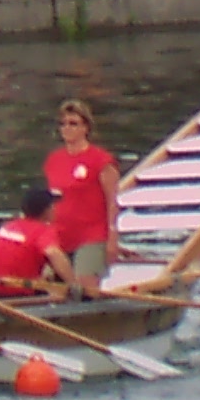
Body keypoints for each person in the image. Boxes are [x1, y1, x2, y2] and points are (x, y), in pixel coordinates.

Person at [46, 98, 121, 280]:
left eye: (73, 124)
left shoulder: (101, 160)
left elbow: (113, 202)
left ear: (85, 128)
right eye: (63, 124)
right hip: (61, 235)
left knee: (85, 285)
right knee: (45, 283)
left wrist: (113, 239)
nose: (67, 128)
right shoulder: (54, 160)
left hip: (91, 236)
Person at [0, 185, 84, 297]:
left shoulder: (9, 226)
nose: (55, 209)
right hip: (15, 291)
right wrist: (74, 284)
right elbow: (53, 253)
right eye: (53, 205)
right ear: (46, 210)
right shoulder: (43, 231)